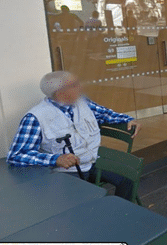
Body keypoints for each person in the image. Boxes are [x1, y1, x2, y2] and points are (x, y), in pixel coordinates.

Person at [7, 71, 141, 199]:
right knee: (83, 203)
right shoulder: (35, 118)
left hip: (93, 162)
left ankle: (124, 215)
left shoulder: (82, 102)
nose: (80, 87)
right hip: (65, 173)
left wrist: (127, 119)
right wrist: (55, 159)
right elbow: (16, 156)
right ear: (60, 93)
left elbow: (105, 114)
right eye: (74, 85)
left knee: (128, 179)